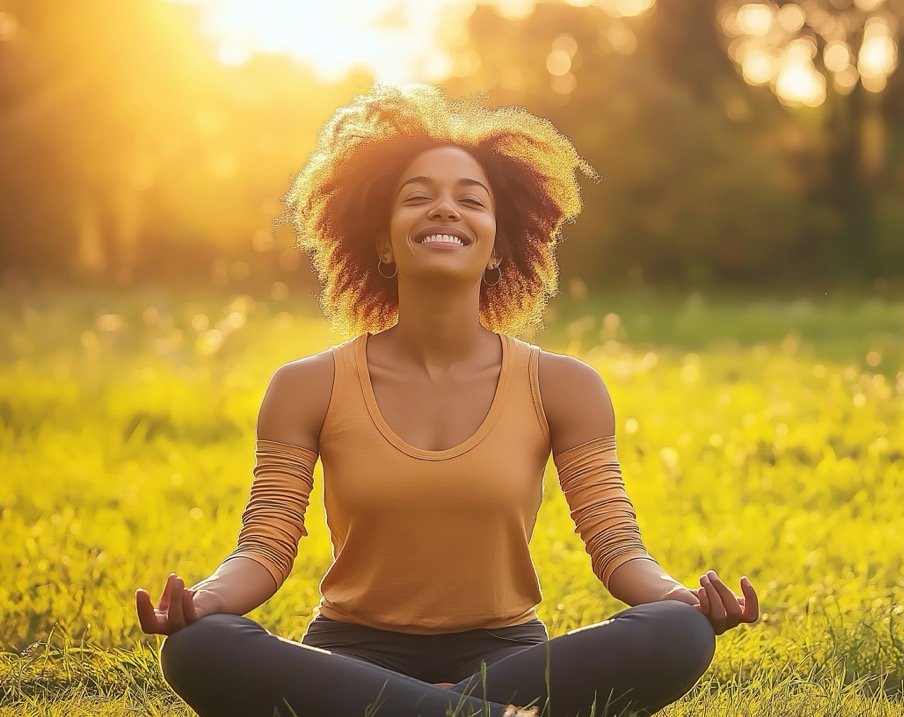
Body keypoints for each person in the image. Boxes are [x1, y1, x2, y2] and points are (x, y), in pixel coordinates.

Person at [135, 85, 761, 717]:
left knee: (677, 633)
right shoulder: (306, 385)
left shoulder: (564, 385)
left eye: (471, 200)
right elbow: (265, 547)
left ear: (496, 245)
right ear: (382, 242)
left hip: (505, 660)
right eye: (417, 197)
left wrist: (677, 596)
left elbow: (617, 547)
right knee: (200, 646)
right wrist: (208, 599)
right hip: (351, 656)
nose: (445, 210)